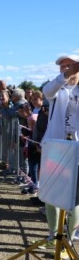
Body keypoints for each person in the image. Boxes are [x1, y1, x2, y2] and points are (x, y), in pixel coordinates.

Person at [36, 55, 79, 248]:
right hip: (55, 148)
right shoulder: (56, 88)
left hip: (76, 150)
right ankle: (53, 235)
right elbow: (47, 91)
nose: (65, 69)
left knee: (74, 197)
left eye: (69, 66)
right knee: (50, 193)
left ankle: (68, 239)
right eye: (62, 67)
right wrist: (66, 76)